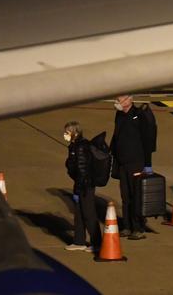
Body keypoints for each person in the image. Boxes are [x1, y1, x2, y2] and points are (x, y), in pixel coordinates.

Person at [110, 95, 157, 240]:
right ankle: (127, 226)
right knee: (125, 197)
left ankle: (138, 227)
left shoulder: (139, 116)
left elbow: (148, 141)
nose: (118, 102)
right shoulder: (119, 115)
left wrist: (147, 164)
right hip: (123, 163)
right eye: (117, 100)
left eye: (121, 100)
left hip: (136, 162)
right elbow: (116, 135)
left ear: (129, 100)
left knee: (136, 196)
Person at [63, 121, 101, 253]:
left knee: (88, 213)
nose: (65, 135)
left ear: (75, 133)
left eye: (67, 132)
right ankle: (79, 241)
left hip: (85, 185)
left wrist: (77, 190)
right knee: (79, 214)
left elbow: (82, 171)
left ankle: (97, 243)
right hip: (81, 183)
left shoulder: (80, 147)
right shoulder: (75, 145)